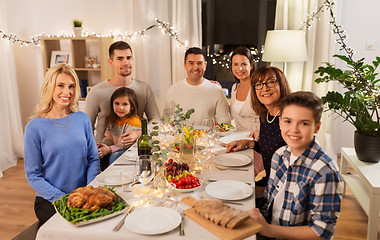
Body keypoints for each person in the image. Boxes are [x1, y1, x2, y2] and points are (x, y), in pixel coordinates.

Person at [247, 91, 343, 240]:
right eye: (288, 121)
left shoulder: (325, 172)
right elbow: (269, 198)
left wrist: (268, 230)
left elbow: (321, 232)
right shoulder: (279, 155)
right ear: (279, 122)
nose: (294, 130)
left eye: (304, 123)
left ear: (317, 127)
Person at [24, 64, 100, 224]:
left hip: (83, 196)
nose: (67, 92)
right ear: (49, 86)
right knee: (76, 227)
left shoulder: (82, 119)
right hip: (51, 200)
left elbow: (93, 158)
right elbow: (33, 176)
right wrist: (63, 199)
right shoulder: (35, 127)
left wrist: (89, 189)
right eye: (60, 85)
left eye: (71, 86)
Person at [226, 65, 291, 193]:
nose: (264, 88)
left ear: (281, 84)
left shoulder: (288, 119)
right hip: (269, 181)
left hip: (280, 191)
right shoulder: (266, 116)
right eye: (259, 84)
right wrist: (248, 143)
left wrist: (262, 192)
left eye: (271, 82)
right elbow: (271, 148)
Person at [85, 41, 159, 144]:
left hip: (136, 151)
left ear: (133, 60)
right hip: (104, 154)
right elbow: (86, 127)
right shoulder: (96, 92)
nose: (126, 62)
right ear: (110, 62)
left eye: (128, 58)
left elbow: (157, 122)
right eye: (120, 59)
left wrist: (140, 133)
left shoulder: (144, 88)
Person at [164, 47, 231, 125]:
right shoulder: (173, 90)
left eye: (199, 63)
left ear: (205, 66)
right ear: (185, 65)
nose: (195, 67)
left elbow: (225, 122)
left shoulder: (216, 90)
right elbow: (165, 120)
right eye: (191, 63)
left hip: (208, 136)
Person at [97, 87, 141, 170]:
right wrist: (102, 145)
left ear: (132, 106)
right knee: (97, 153)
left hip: (128, 151)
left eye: (125, 104)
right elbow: (109, 138)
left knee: (115, 156)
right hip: (115, 148)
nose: (120, 108)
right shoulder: (112, 119)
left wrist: (109, 149)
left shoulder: (134, 121)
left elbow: (125, 144)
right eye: (117, 103)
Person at [229, 46, 260, 132]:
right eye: (235, 64)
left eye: (244, 64)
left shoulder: (258, 87)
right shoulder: (234, 88)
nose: (240, 69)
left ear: (251, 66)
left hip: (256, 140)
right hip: (238, 138)